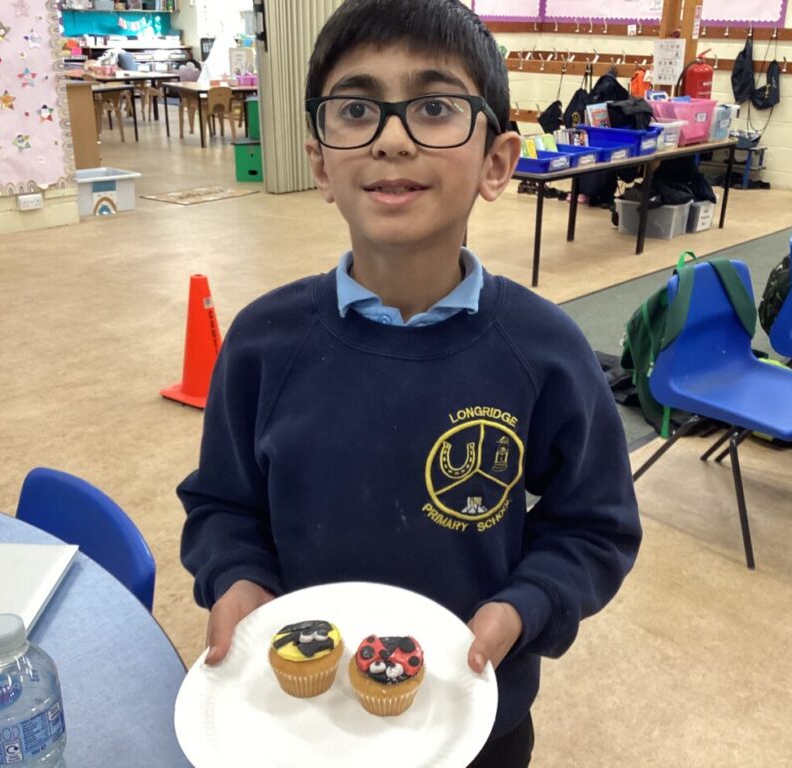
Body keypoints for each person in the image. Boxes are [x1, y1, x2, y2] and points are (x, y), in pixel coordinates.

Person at [178, 1, 642, 765]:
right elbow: (222, 506)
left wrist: (523, 607)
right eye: (357, 109)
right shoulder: (263, 342)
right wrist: (235, 577)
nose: (391, 138)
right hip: (302, 717)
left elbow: (596, 527)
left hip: (473, 719)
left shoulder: (546, 352)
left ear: (497, 162)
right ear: (321, 163)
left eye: (434, 108)